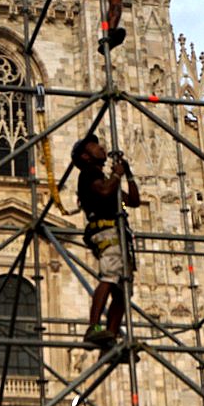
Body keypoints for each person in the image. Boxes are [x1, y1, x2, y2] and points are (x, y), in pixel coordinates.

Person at [71, 136, 141, 348]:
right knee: (110, 275)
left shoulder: (106, 178)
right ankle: (93, 327)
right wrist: (116, 174)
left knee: (123, 289)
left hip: (119, 234)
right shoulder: (88, 174)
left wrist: (127, 174)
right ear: (85, 156)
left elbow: (134, 201)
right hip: (105, 232)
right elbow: (103, 191)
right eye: (94, 146)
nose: (101, 147)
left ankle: (110, 335)